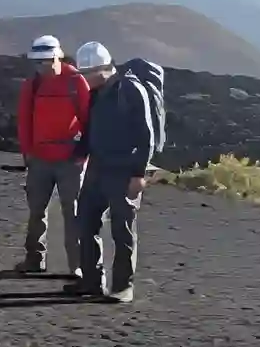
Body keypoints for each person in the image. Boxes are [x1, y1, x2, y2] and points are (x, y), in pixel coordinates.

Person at [71, 41, 164, 305]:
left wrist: (138, 175)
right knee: (86, 222)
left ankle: (123, 286)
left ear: (102, 69)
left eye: (86, 74)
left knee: (122, 230)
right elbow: (92, 128)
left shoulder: (131, 90)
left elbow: (146, 136)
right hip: (97, 169)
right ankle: (91, 280)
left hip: (124, 171)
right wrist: (80, 154)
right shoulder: (97, 93)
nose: (84, 80)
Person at [15, 35, 91, 278]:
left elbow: (89, 120)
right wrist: (27, 152)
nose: (43, 67)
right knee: (37, 210)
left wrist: (83, 154)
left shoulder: (76, 81)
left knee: (73, 212)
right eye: (38, 62)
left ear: (58, 56)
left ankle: (76, 266)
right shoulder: (33, 84)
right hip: (40, 159)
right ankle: (34, 259)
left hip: (70, 160)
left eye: (47, 61)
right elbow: (24, 119)